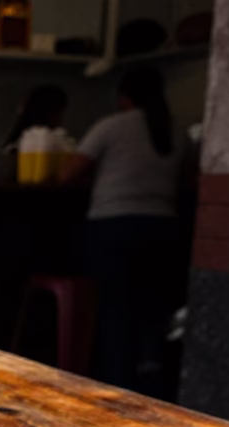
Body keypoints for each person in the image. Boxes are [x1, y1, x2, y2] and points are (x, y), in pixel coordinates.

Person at [62, 67, 186, 397]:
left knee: (114, 305)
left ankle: (118, 384)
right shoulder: (176, 130)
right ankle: (152, 377)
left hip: (115, 225)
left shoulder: (112, 126)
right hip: (164, 226)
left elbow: (68, 173)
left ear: (124, 97)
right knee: (152, 305)